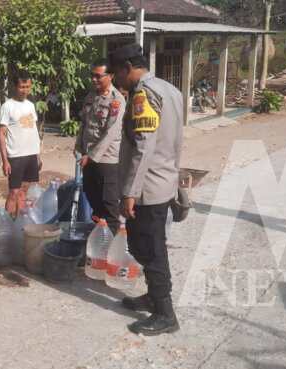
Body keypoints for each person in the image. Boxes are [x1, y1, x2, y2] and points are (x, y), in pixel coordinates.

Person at [110, 44, 183, 336]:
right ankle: (154, 296)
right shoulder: (169, 89)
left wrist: (130, 191)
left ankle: (165, 314)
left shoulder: (143, 94)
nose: (116, 80)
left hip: (148, 187)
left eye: (117, 73)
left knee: (149, 249)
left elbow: (143, 146)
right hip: (163, 180)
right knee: (150, 246)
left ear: (128, 67)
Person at [76, 58, 126, 232]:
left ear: (110, 76)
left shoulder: (116, 100)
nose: (94, 80)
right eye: (92, 76)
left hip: (106, 161)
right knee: (93, 199)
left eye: (98, 76)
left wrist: (90, 155)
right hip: (88, 158)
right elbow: (84, 124)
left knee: (109, 205)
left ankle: (111, 250)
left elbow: (111, 133)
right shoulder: (91, 96)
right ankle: (99, 239)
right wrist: (79, 148)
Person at [0, 72, 42, 217]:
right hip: (15, 156)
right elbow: (1, 134)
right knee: (13, 192)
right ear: (15, 87)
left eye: (28, 87)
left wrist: (38, 155)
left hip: (31, 154)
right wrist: (5, 161)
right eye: (22, 87)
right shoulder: (7, 106)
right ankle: (7, 225)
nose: (25, 90)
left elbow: (33, 130)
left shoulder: (30, 105)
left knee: (25, 191)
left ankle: (20, 224)